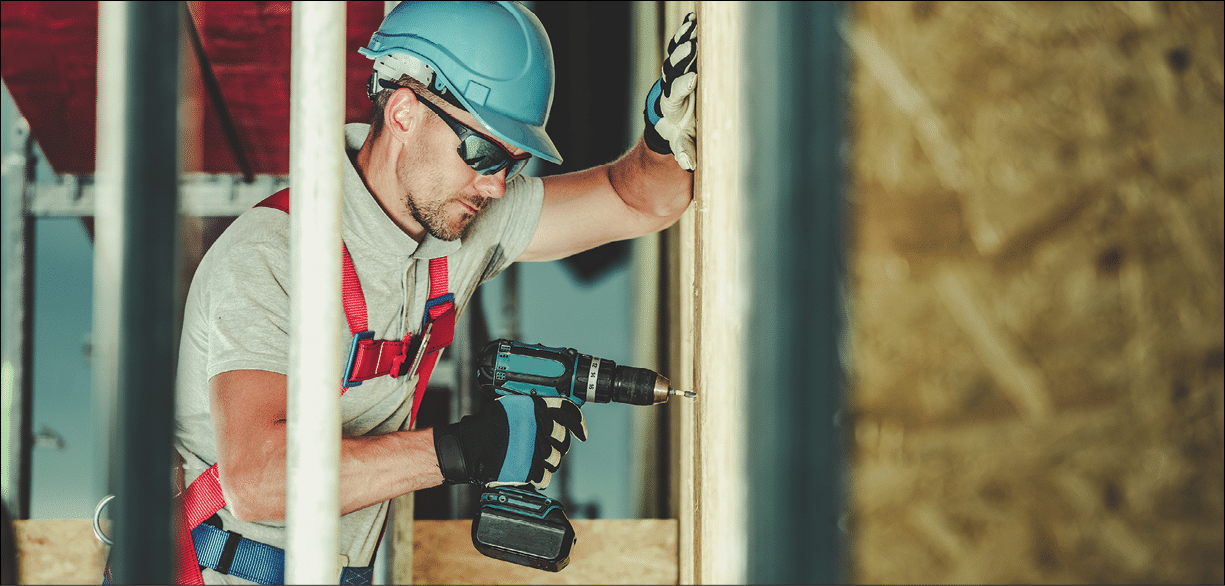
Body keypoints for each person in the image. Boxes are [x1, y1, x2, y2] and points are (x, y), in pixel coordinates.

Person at [170, 2, 697, 584]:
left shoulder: (459, 223)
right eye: (483, 153)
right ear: (403, 112)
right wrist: (466, 449)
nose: (496, 187)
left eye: (515, 164)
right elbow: (257, 482)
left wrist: (664, 137)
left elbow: (635, 199)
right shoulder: (273, 255)